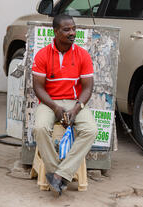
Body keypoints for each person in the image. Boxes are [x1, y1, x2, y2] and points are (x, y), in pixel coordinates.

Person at [32, 14, 98, 196]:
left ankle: (62, 174)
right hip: (49, 102)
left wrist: (75, 110)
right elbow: (38, 87)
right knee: (40, 128)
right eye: (67, 29)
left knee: (91, 130)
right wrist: (55, 107)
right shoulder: (43, 54)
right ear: (56, 31)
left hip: (74, 102)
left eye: (74, 29)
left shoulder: (82, 54)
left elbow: (87, 88)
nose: (72, 33)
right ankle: (54, 171)